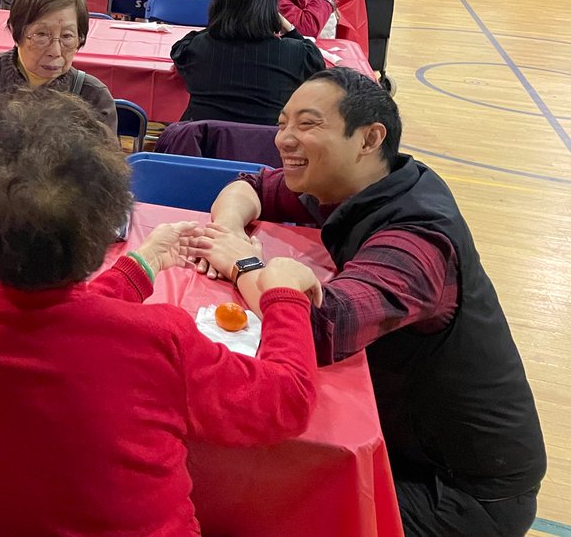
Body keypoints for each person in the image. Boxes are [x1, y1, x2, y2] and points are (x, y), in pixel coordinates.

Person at [0, 88, 321, 537]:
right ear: (105, 227)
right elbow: (286, 401)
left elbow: (56, 317)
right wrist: (284, 295)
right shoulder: (158, 339)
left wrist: (142, 265)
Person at [186, 68, 545, 537]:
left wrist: (244, 265)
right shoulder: (355, 184)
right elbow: (248, 188)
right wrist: (232, 230)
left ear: (369, 138)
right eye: (282, 123)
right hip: (400, 438)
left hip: (457, 491)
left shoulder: (418, 237)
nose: (284, 140)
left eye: (308, 125)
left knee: (245, 501)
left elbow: (318, 327)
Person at [0, 0, 117, 133]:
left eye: (67, 36)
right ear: (16, 33)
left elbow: (104, 162)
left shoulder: (94, 96)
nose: (55, 52)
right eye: (42, 35)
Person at [170, 0, 325, 126]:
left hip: (201, 146)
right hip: (270, 147)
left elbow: (181, 49)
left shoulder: (195, 48)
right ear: (270, 10)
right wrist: (289, 28)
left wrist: (224, 18)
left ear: (219, 4)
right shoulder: (296, 53)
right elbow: (318, 70)